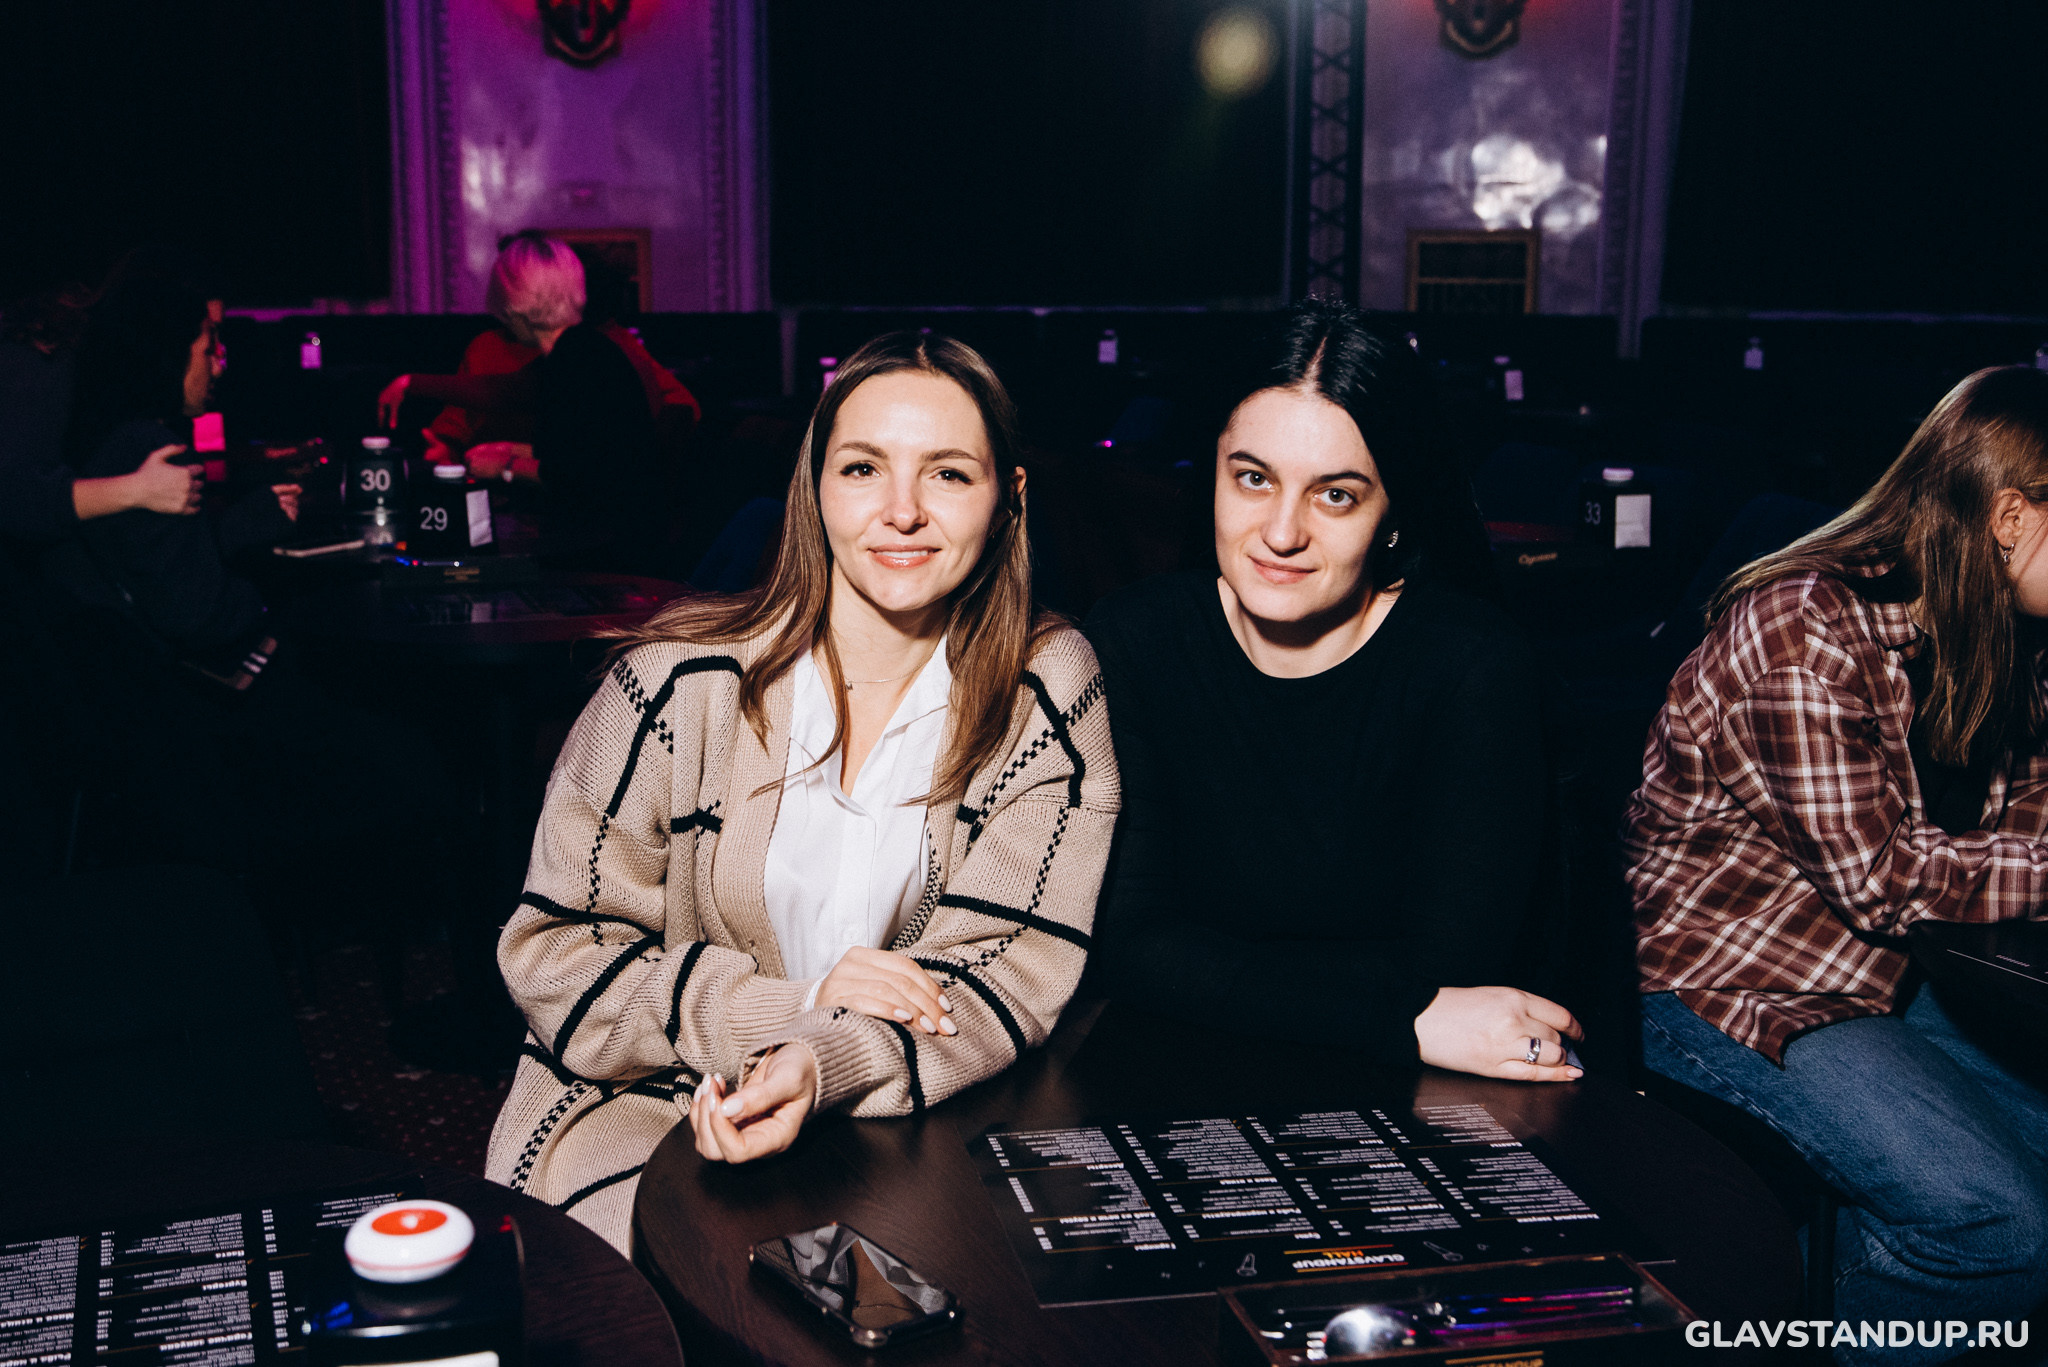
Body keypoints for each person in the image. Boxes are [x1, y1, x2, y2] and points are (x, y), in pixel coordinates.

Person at [485, 330, 1118, 1249]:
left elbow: (1004, 971)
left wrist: (822, 1058)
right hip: (645, 1103)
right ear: (813, 487)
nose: (902, 511)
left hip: (911, 1112)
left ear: (1008, 498)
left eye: (947, 474)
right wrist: (789, 1006)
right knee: (704, 1280)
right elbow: (552, 956)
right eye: (862, 468)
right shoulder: (673, 685)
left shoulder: (1046, 689)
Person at [1630, 366, 2048, 1365]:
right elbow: (1881, 877)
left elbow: (2028, 813)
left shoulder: (2003, 630)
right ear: (2009, 516)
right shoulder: (1803, 623)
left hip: (1898, 971)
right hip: (1734, 982)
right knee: (1997, 1226)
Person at [1083, 298, 1581, 1081]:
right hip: (1170, 1066)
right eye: (1253, 479)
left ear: (1392, 512)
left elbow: (1455, 968)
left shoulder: (1473, 666)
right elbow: (1129, 948)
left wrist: (1210, 970)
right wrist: (1395, 1010)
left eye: (1336, 494)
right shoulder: (1132, 640)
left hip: (1406, 1086)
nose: (1282, 533)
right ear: (1212, 474)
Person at [47, 274, 298, 657]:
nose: (218, 367)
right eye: (207, 350)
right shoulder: (154, 449)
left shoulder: (96, 436)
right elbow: (197, 616)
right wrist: (273, 603)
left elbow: (160, 565)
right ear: (169, 353)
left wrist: (241, 526)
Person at [374, 234, 661, 514]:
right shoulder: (580, 349)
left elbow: (578, 473)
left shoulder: (574, 359)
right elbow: (511, 396)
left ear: (513, 304)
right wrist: (507, 450)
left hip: (607, 535)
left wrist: (505, 467)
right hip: (613, 527)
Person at [409, 236, 699, 466]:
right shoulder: (493, 347)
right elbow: (480, 407)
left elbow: (581, 468)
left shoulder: (600, 349)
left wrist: (507, 467)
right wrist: (450, 447)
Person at [0, 280, 203, 556]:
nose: (219, 365)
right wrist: (135, 490)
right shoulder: (37, 361)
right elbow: (13, 497)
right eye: (208, 347)